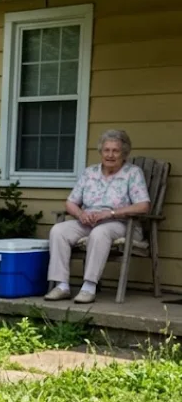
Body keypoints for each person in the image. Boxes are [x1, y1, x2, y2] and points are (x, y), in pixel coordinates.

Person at [45, 129, 149, 304]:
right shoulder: (90, 173)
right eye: (106, 150)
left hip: (120, 223)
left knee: (100, 233)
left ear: (124, 153)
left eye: (115, 151)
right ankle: (61, 286)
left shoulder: (132, 173)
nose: (110, 155)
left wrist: (111, 213)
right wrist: (80, 214)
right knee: (58, 230)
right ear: (101, 151)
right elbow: (70, 202)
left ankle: (88, 287)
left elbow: (143, 205)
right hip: (88, 221)